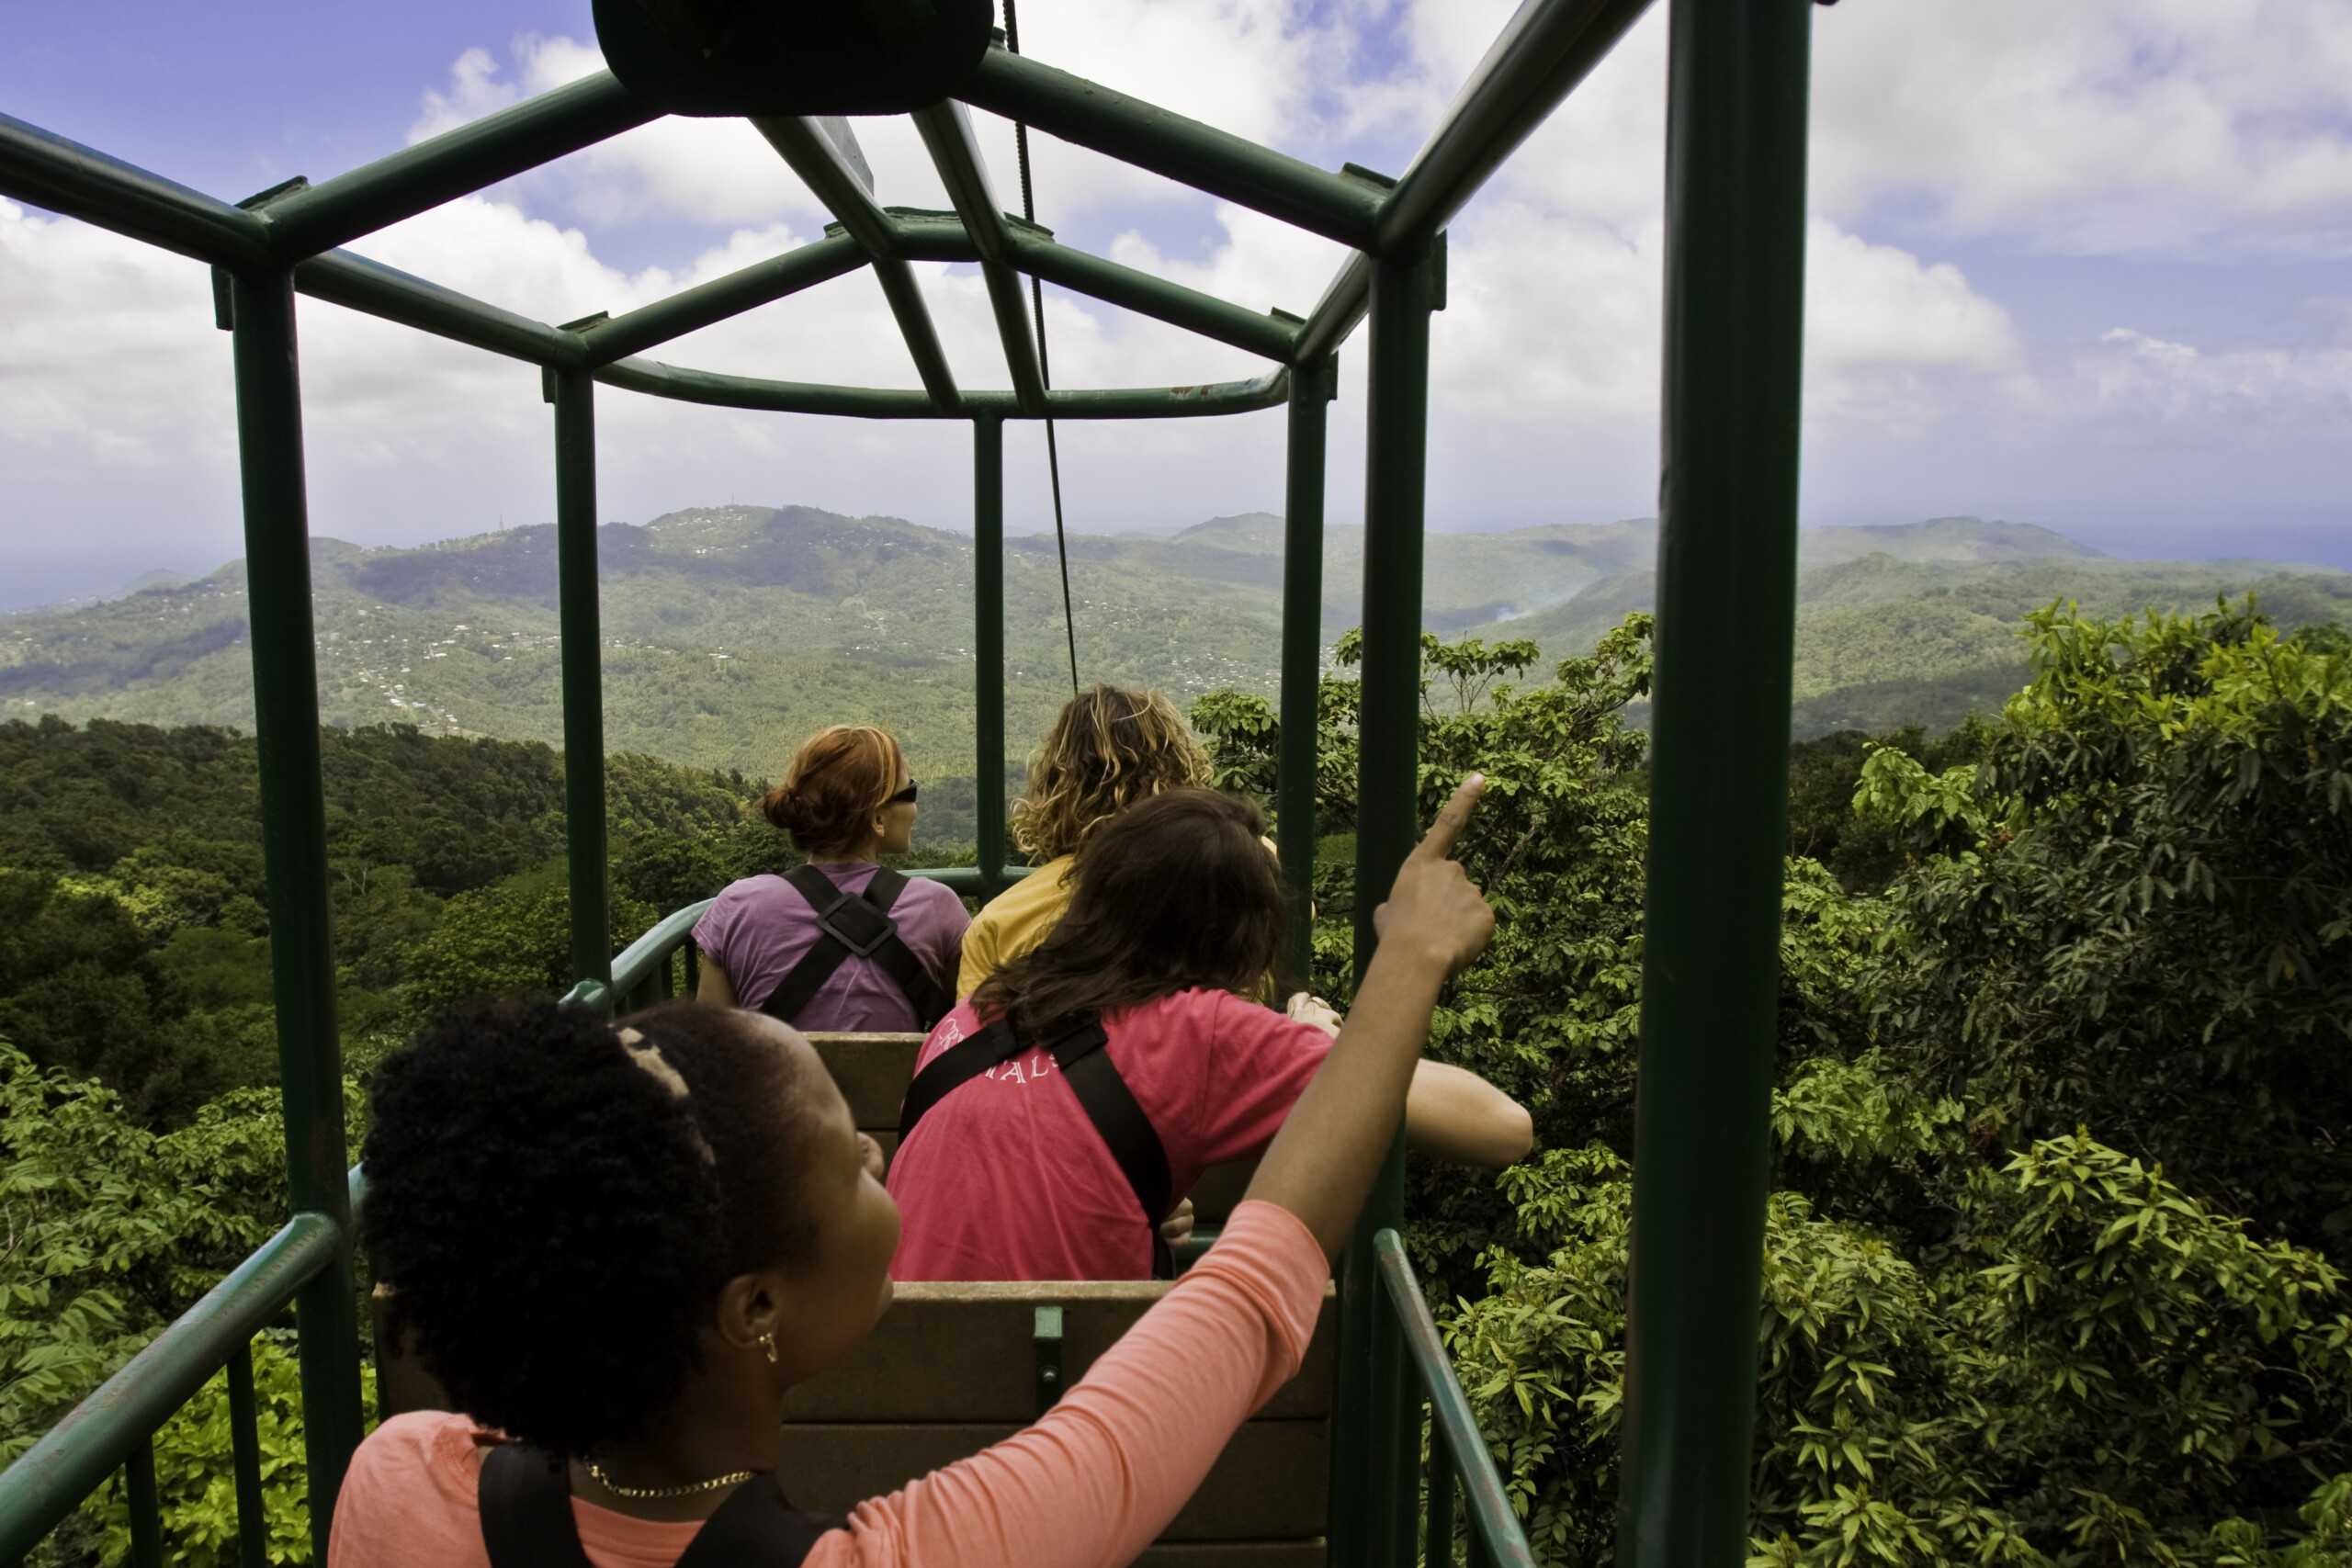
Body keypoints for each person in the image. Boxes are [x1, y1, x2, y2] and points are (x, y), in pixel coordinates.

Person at [330, 775, 1500, 1568]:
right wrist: (1410, 957)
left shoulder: (398, 1480)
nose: (884, 1153)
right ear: (754, 1304)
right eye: (849, 1157)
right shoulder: (938, 1549)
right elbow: (1254, 1283)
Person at [888, 785, 1533, 1282]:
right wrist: (1321, 1042)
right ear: (1241, 939)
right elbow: (1502, 1125)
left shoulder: (972, 1015)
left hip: (886, 1400)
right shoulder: (1201, 1032)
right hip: (1052, 1423)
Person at [695, 725, 967, 1033]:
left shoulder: (737, 907)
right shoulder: (937, 906)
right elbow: (971, 1030)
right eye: (910, 792)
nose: (915, 808)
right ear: (877, 817)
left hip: (778, 1082)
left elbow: (709, 1047)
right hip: (896, 1084)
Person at [957, 685, 1208, 998]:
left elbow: (969, 1037)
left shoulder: (999, 922)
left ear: (1054, 783)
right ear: (1178, 769)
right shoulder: (1239, 873)